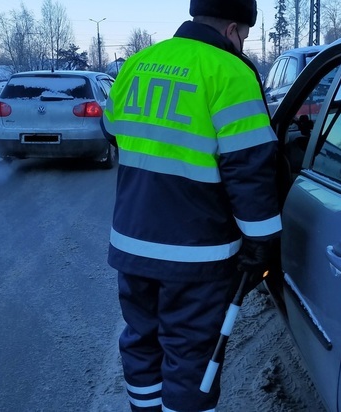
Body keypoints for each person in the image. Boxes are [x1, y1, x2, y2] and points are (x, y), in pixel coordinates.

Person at [102, 0, 282, 410]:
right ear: (234, 29)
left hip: (132, 244)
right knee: (190, 355)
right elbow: (250, 167)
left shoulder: (139, 62)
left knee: (142, 342)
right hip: (196, 253)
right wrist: (261, 241)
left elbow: (112, 132)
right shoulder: (230, 72)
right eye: (245, 36)